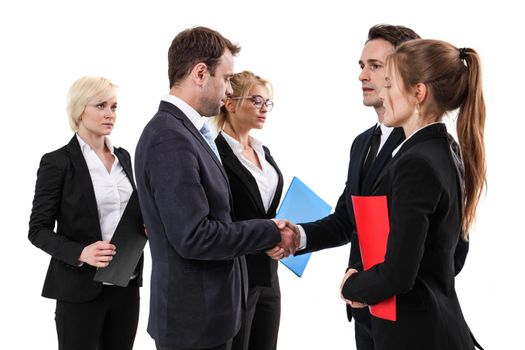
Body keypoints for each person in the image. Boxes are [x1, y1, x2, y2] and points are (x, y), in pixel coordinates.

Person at [134, 27, 298, 350]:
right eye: (225, 79)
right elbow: (194, 236)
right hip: (194, 323)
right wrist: (269, 231)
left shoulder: (188, 132)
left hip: (212, 315)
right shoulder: (170, 137)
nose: (228, 91)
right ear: (200, 73)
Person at [267, 24, 424, 350]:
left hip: (410, 319)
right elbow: (346, 220)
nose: (362, 75)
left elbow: (451, 251)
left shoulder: (425, 145)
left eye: (375, 66)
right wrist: (298, 236)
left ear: (403, 72)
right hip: (364, 317)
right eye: (361, 66)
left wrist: (373, 286)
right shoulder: (362, 144)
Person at [340, 39, 485, 350]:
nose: (383, 93)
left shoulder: (416, 163)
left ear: (418, 93)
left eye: (390, 84)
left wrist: (352, 284)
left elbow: (399, 274)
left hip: (417, 334)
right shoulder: (441, 150)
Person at [28, 76, 145, 350]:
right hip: (80, 289)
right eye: (101, 105)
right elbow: (37, 230)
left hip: (126, 284)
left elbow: (126, 214)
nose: (109, 114)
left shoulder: (124, 157)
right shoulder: (57, 162)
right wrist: (81, 253)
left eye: (114, 107)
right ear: (80, 109)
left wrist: (146, 225)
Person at [214, 71, 283, 350]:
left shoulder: (263, 151)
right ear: (230, 103)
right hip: (236, 274)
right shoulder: (214, 153)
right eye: (256, 100)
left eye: (268, 102)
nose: (264, 108)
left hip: (269, 273)